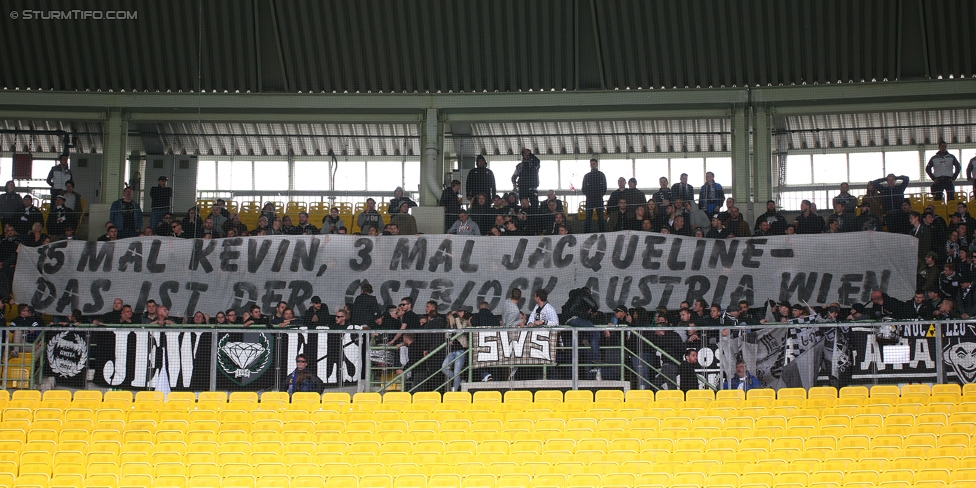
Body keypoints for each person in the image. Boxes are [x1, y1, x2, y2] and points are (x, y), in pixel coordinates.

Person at [442, 310, 470, 392]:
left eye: (448, 318)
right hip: (452, 351)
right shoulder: (448, 327)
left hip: (460, 350)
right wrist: (448, 341)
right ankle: (460, 381)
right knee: (444, 368)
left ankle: (454, 390)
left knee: (456, 372)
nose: (447, 320)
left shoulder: (463, 322)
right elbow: (446, 338)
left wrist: (456, 318)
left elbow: (460, 330)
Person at [581, 158, 607, 233]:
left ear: (597, 164)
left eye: (594, 164)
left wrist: (599, 195)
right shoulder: (587, 176)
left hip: (599, 199)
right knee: (588, 217)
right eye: (591, 164)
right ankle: (586, 233)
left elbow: (604, 187)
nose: (592, 165)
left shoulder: (601, 175)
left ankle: (602, 232)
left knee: (601, 217)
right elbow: (583, 188)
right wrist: (589, 195)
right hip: (589, 199)